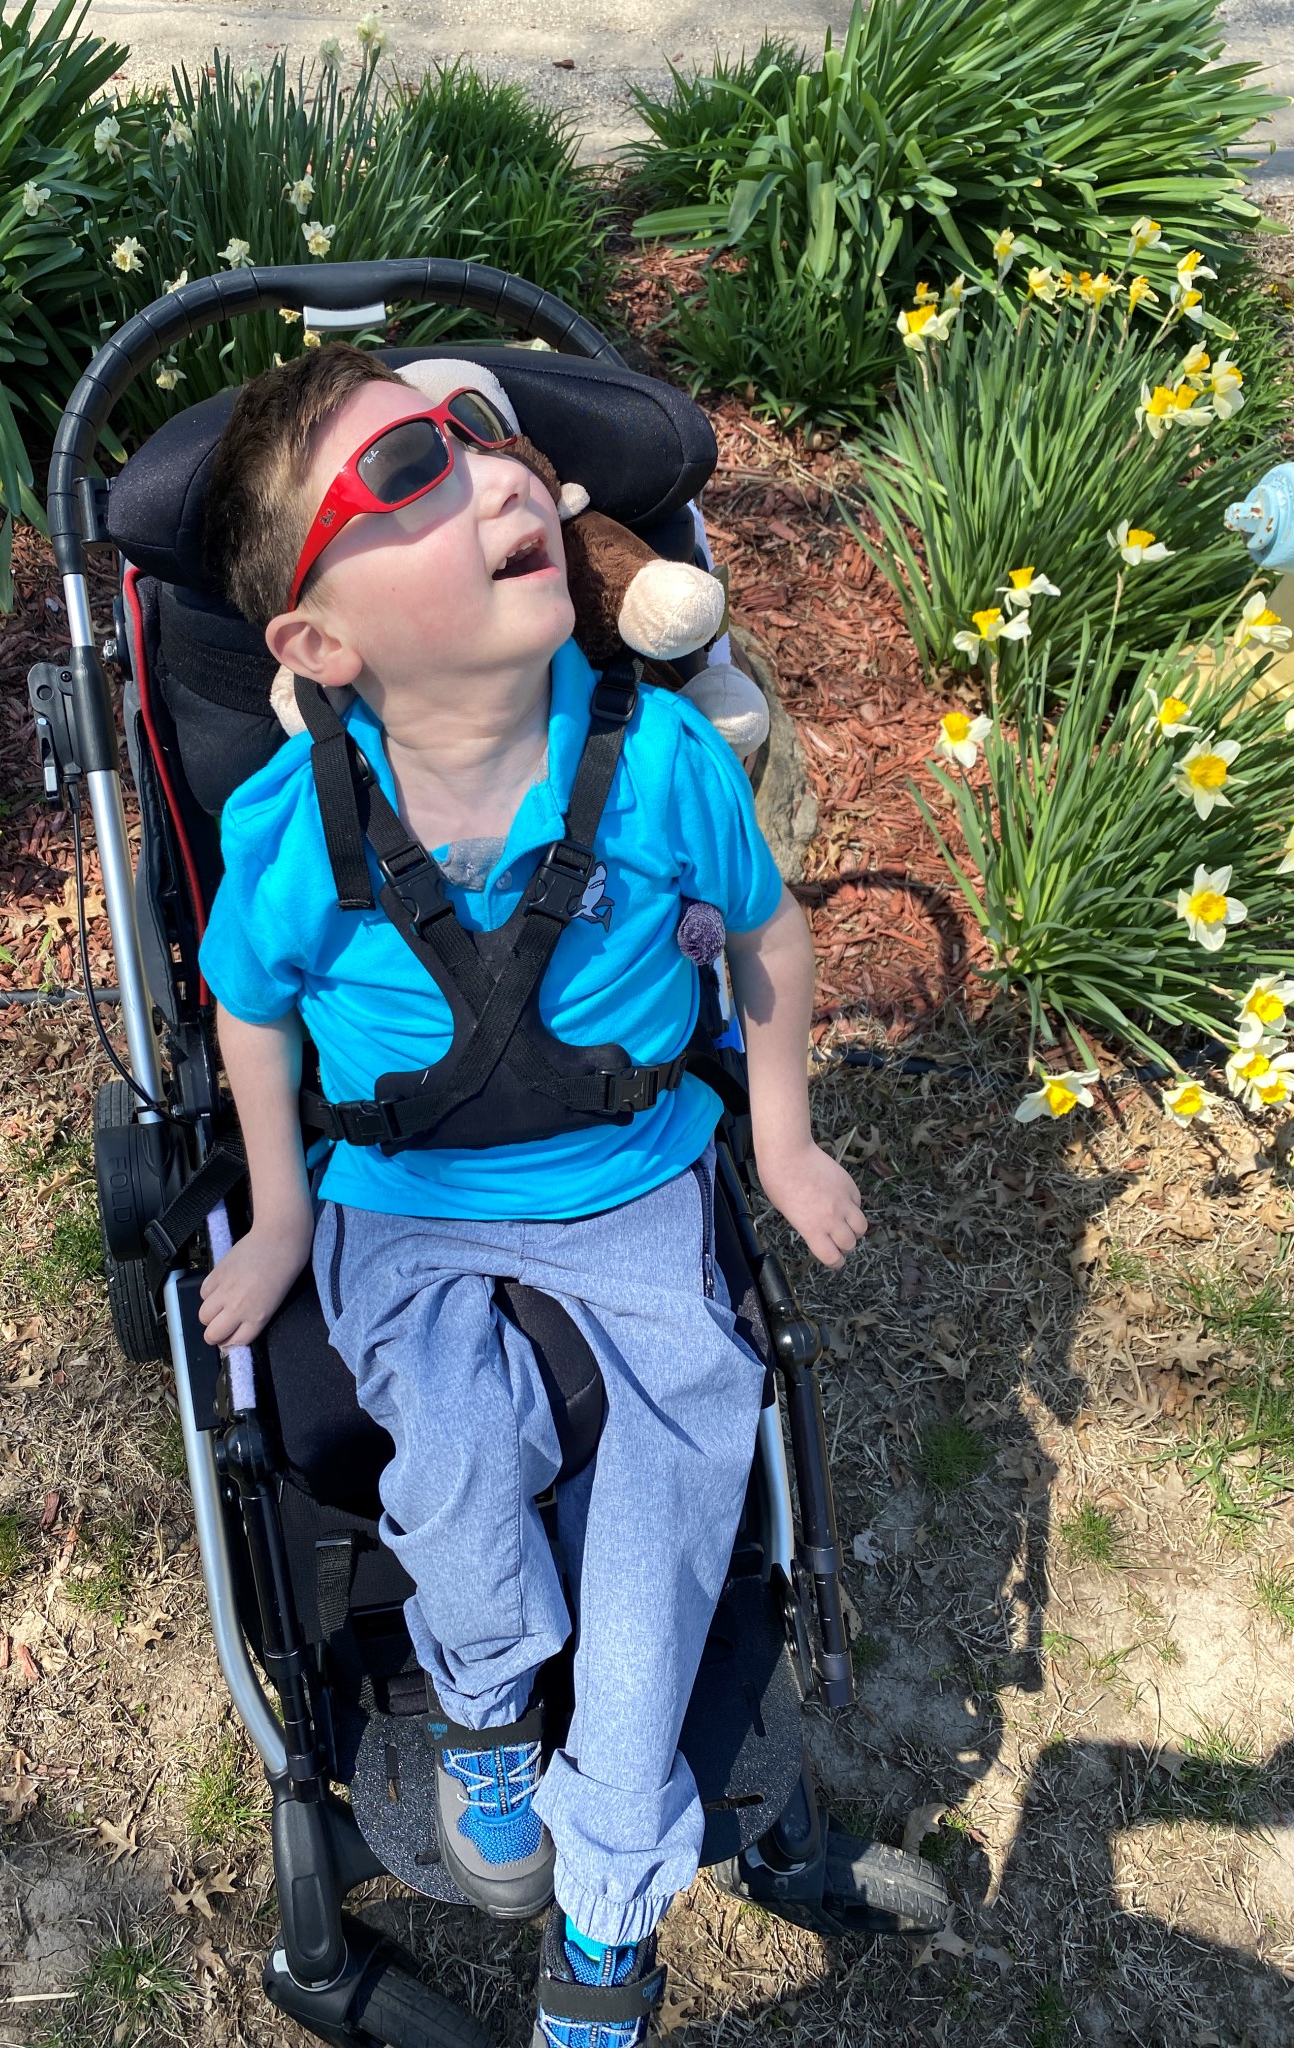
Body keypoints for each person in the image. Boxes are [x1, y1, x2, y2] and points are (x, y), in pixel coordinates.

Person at [193, 343, 866, 2047]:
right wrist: (280, 1215)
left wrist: (782, 1134)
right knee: (458, 1446)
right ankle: (486, 1705)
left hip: (631, 1180)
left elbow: (771, 939)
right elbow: (249, 1015)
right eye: (406, 473)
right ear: (320, 645)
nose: (493, 471)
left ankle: (610, 1911)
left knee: (671, 1497)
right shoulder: (297, 825)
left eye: (482, 436)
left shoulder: (660, 762)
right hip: (405, 1196)